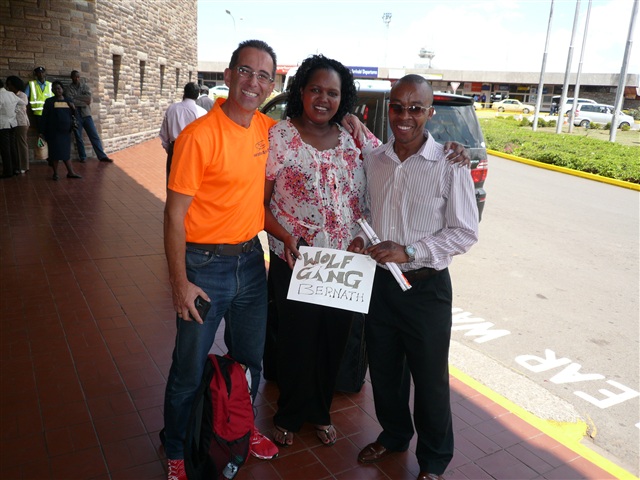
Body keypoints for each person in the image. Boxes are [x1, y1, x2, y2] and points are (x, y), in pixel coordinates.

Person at [348, 75, 479, 480]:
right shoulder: (375, 159)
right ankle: (394, 435)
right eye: (398, 107)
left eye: (415, 108)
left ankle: (434, 461)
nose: (405, 116)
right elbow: (366, 209)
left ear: (429, 113)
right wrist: (362, 237)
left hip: (426, 288)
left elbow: (465, 231)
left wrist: (410, 250)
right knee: (384, 370)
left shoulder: (450, 164)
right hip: (381, 284)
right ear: (390, 109)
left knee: (430, 380)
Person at [162, 40, 281, 480]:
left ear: (272, 85)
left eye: (263, 75)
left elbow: (317, 136)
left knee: (250, 359)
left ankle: (242, 427)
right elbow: (173, 216)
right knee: (188, 368)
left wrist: (353, 123)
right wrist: (180, 283)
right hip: (204, 266)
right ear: (228, 75)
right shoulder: (198, 136)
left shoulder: (268, 129)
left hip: (250, 261)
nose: (253, 82)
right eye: (245, 71)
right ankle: (176, 450)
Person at [264, 54, 382, 449]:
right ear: (301, 91)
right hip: (297, 260)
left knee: (334, 340)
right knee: (297, 340)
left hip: (344, 263)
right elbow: (258, 204)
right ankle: (289, 414)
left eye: (332, 93)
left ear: (342, 98)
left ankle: (319, 411)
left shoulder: (353, 138)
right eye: (315, 89)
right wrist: (285, 236)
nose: (323, 99)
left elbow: (392, 166)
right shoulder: (280, 137)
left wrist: (363, 237)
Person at [159, 82, 206, 181]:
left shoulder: (172, 108)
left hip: (175, 147)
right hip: (193, 149)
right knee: (192, 180)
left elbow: (163, 134)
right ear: (198, 95)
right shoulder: (202, 112)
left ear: (184, 93)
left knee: (172, 180)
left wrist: (170, 149)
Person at [65, 70, 114, 163]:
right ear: (71, 77)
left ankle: (102, 156)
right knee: (78, 137)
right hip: (76, 115)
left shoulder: (85, 86)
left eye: (78, 77)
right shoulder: (68, 88)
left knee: (94, 135)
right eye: (75, 77)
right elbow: (70, 101)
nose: (77, 79)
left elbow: (88, 99)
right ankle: (82, 157)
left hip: (86, 115)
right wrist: (82, 100)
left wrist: (76, 97)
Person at [40, 80, 82, 181]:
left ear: (62, 89)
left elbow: (74, 115)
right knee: (55, 153)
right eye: (54, 89)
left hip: (66, 132)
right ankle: (55, 173)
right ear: (52, 90)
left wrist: (73, 109)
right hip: (53, 133)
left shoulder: (68, 100)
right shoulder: (49, 101)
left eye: (58, 88)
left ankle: (71, 172)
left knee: (66, 153)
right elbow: (44, 117)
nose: (57, 90)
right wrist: (41, 131)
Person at [0, 78, 27, 178]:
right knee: (12, 147)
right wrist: (14, 110)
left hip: (3, 125)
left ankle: (7, 172)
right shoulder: (11, 94)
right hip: (12, 124)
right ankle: (15, 169)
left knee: (5, 149)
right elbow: (23, 103)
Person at [5, 76, 30, 174]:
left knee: (22, 144)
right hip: (12, 122)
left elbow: (17, 106)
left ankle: (24, 166)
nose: (8, 87)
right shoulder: (10, 95)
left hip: (21, 123)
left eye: (10, 85)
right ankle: (16, 165)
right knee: (14, 145)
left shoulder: (22, 95)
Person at [25, 66, 53, 131]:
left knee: (50, 131)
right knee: (41, 132)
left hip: (50, 113)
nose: (41, 74)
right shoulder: (31, 84)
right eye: (39, 72)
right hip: (38, 114)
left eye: (42, 72)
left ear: (45, 74)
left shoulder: (50, 85)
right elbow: (25, 97)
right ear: (36, 74)